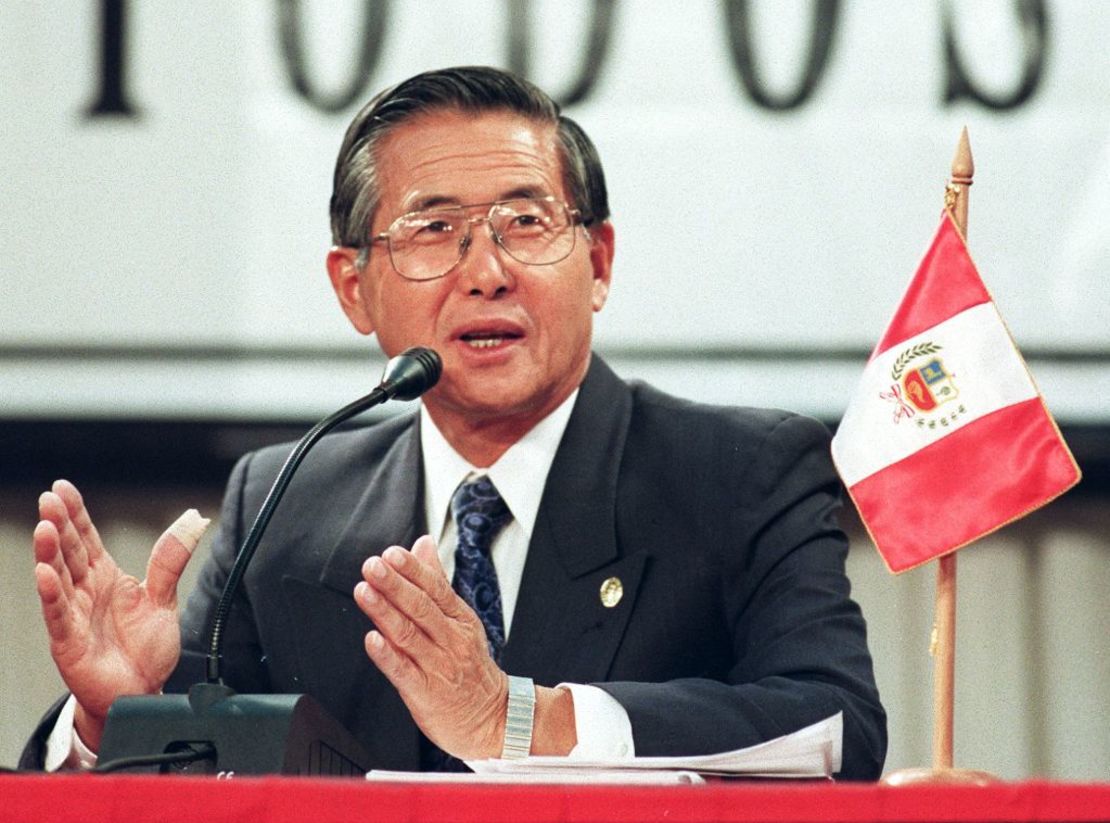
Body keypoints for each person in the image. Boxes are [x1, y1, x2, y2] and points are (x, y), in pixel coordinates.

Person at [23, 66, 886, 778]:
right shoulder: (288, 501)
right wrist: (117, 718)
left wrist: (526, 718)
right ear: (354, 288)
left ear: (599, 261)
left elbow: (837, 726)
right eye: (435, 229)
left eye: (525, 221)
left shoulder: (741, 472)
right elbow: (200, 773)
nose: (487, 271)